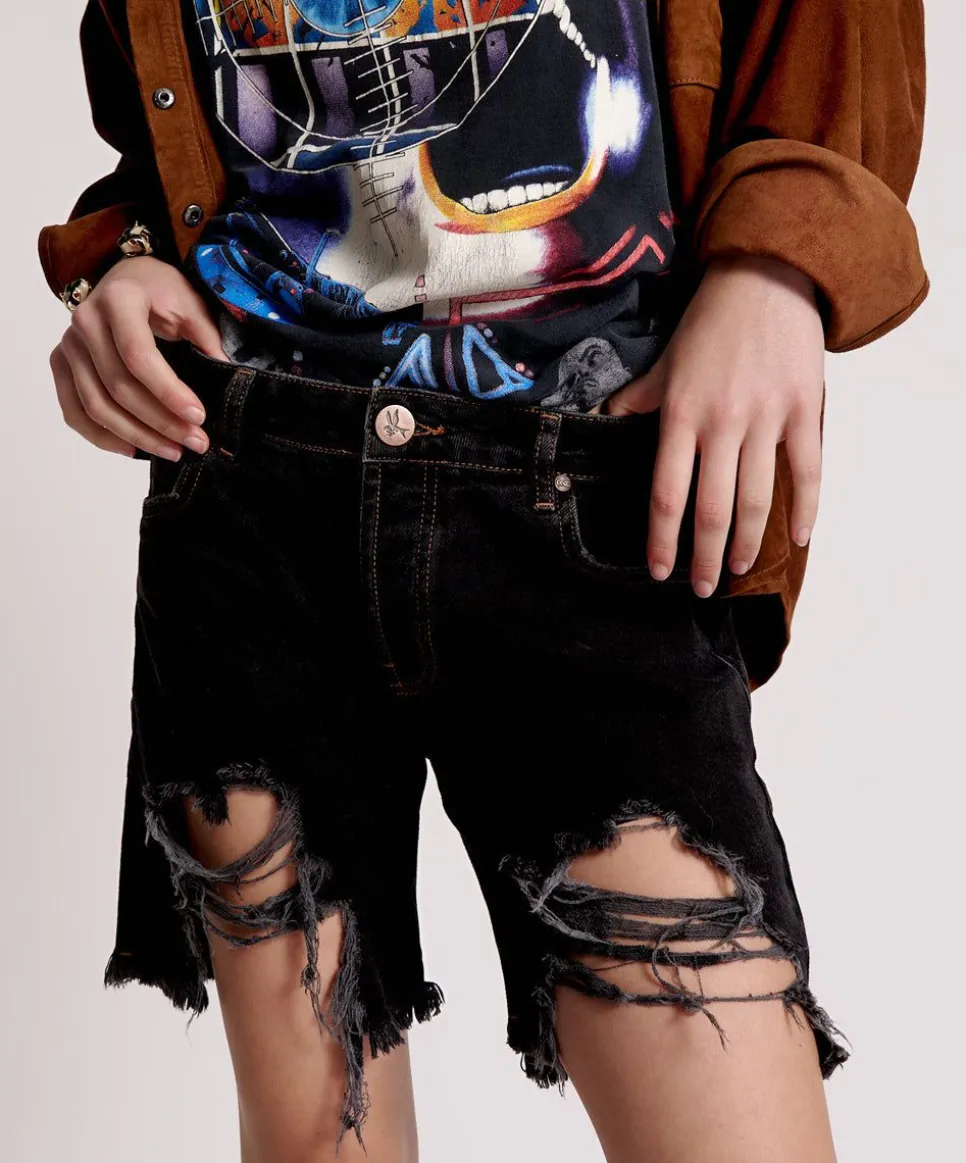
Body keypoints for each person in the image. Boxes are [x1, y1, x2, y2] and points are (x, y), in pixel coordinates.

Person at [38, 2, 927, 1161]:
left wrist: (778, 269)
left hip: (592, 487)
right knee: (316, 1135)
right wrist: (122, 262)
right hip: (255, 483)